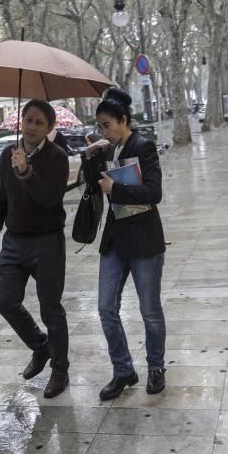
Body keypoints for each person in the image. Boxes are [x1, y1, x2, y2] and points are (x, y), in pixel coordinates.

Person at [84, 88, 167, 400]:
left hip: (144, 240)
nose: (102, 131)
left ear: (123, 120)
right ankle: (123, 370)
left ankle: (156, 367)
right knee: (106, 308)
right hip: (115, 240)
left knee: (150, 311)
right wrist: (91, 158)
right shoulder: (106, 149)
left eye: (106, 125)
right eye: (99, 126)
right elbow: (94, 187)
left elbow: (154, 192)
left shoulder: (143, 146)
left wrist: (116, 188)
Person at [0, 100, 71, 398]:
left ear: (49, 128)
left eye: (39, 123)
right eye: (28, 120)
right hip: (14, 240)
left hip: (47, 241)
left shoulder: (58, 157)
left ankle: (60, 371)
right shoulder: (10, 153)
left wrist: (27, 172)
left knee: (51, 309)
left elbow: (50, 198)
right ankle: (40, 346)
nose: (32, 126)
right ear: (21, 121)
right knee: (6, 302)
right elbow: (0, 196)